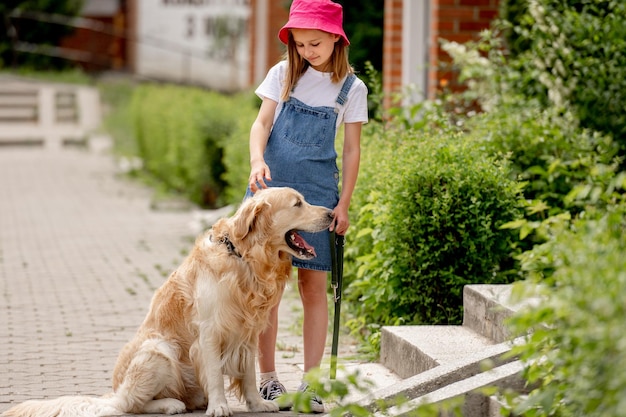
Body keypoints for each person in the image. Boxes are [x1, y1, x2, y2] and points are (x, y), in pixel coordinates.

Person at [245, 0, 368, 413]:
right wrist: (257, 160)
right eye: (299, 44)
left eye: (314, 43)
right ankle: (267, 380)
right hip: (271, 194)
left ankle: (312, 383)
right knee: (267, 288)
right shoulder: (282, 75)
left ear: (337, 38)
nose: (306, 51)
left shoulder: (352, 89)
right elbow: (262, 124)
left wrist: (345, 203)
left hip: (317, 196)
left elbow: (351, 152)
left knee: (313, 287)